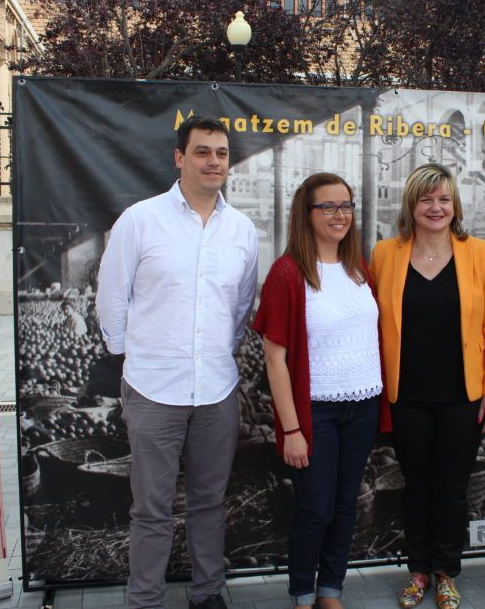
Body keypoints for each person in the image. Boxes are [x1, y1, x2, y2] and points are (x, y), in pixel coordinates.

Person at [96, 116, 258, 609]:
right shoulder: (141, 220)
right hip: (152, 388)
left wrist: (215, 352)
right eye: (203, 151)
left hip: (216, 390)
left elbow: (242, 304)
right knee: (151, 508)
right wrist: (132, 354)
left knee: (210, 501)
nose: (214, 161)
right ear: (179, 158)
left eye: (222, 153)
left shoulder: (242, 229)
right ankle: (145, 599)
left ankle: (208, 592)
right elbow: (111, 294)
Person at [371, 164, 485, 609]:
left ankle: (447, 573)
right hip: (406, 394)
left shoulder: (479, 253)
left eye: (444, 199)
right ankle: (417, 571)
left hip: (461, 397)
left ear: (456, 206)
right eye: (427, 199)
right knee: (417, 486)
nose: (436, 207)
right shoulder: (385, 254)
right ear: (412, 205)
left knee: (451, 489)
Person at [252, 173, 391, 609]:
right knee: (315, 508)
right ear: (306, 213)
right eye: (327, 206)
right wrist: (291, 429)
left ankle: (331, 589)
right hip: (316, 413)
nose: (339, 214)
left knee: (346, 503)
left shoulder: (357, 268)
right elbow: (274, 359)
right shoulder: (288, 272)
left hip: (363, 405)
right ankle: (302, 593)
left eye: (345, 205)